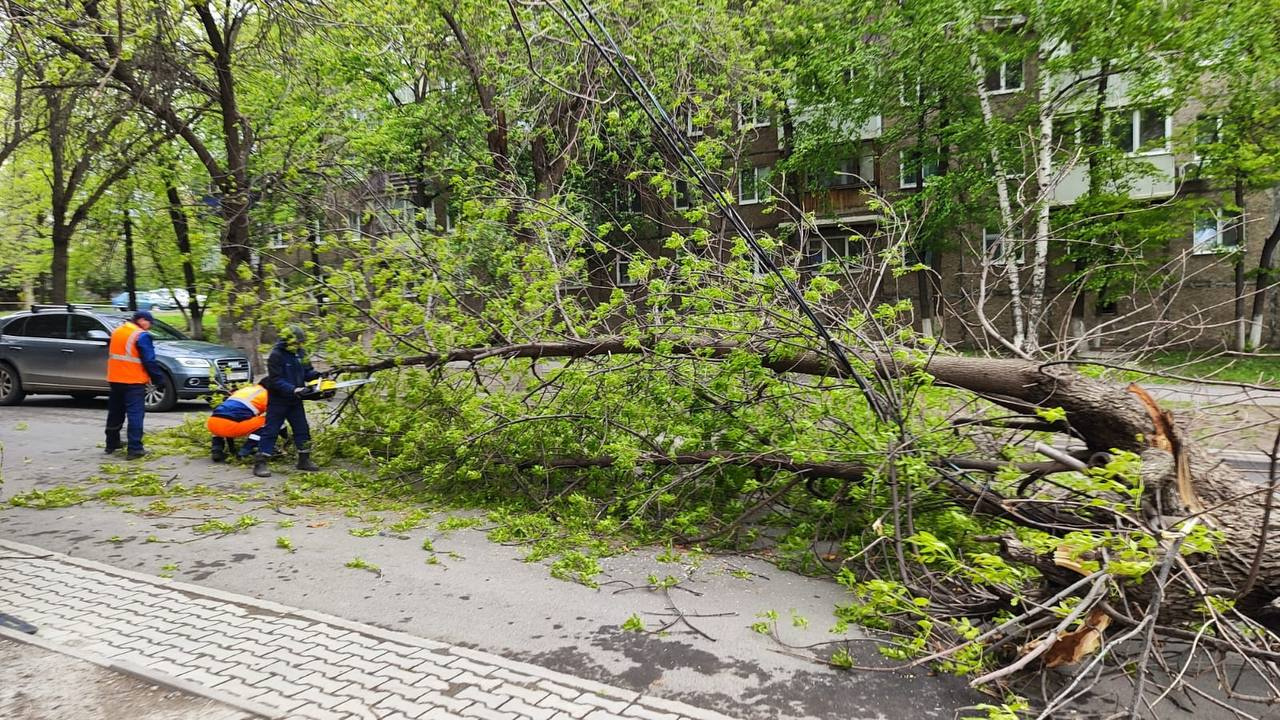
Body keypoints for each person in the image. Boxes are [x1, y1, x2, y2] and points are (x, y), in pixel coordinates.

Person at [253, 325, 322, 478]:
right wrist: (294, 389)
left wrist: (319, 376)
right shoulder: (276, 355)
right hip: (278, 400)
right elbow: (275, 380)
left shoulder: (300, 353)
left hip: (295, 401)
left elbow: (307, 372)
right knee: (271, 430)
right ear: (287, 341)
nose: (298, 345)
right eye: (296, 343)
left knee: (302, 429)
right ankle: (261, 462)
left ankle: (304, 460)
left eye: (300, 343)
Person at [105, 310, 164, 460]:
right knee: (135, 414)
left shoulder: (118, 331)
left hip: (115, 379)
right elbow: (149, 360)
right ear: (142, 320)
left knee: (115, 411)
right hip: (133, 381)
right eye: (149, 323)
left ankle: (111, 443)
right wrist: (158, 379)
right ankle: (135, 449)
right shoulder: (141, 335)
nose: (149, 326)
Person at [206, 382, 268, 463]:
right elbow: (275, 417)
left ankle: (216, 450)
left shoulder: (245, 390)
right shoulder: (268, 395)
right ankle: (245, 451)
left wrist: (232, 448)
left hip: (212, 424)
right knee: (268, 420)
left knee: (221, 418)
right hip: (232, 427)